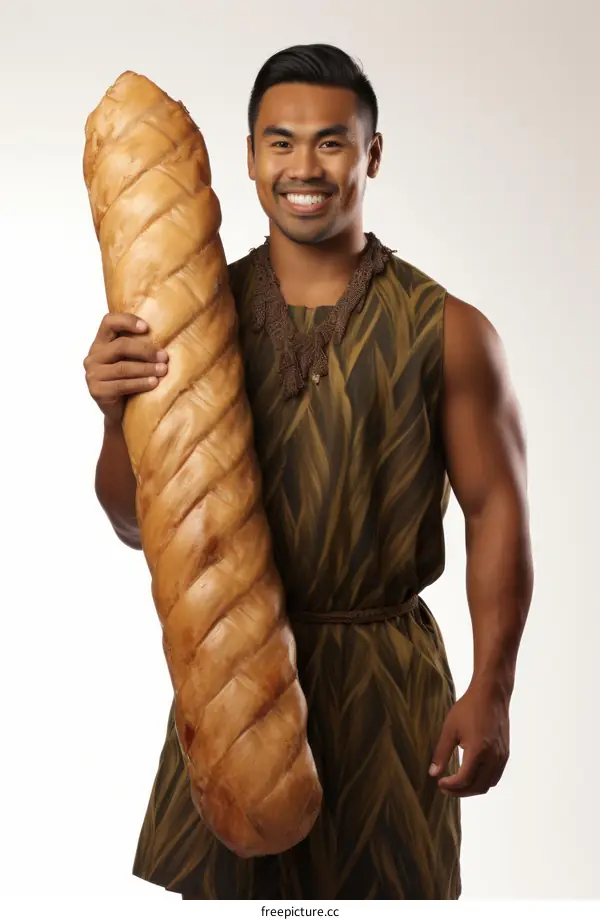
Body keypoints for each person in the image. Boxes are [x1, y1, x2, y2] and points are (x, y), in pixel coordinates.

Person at [84, 44, 534, 900]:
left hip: (387, 692)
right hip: (228, 684)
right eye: (280, 142)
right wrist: (116, 419)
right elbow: (138, 524)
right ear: (249, 156)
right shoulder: (184, 316)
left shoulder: (450, 330)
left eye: (331, 142)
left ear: (372, 153)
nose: (304, 166)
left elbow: (496, 510)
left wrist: (493, 686)